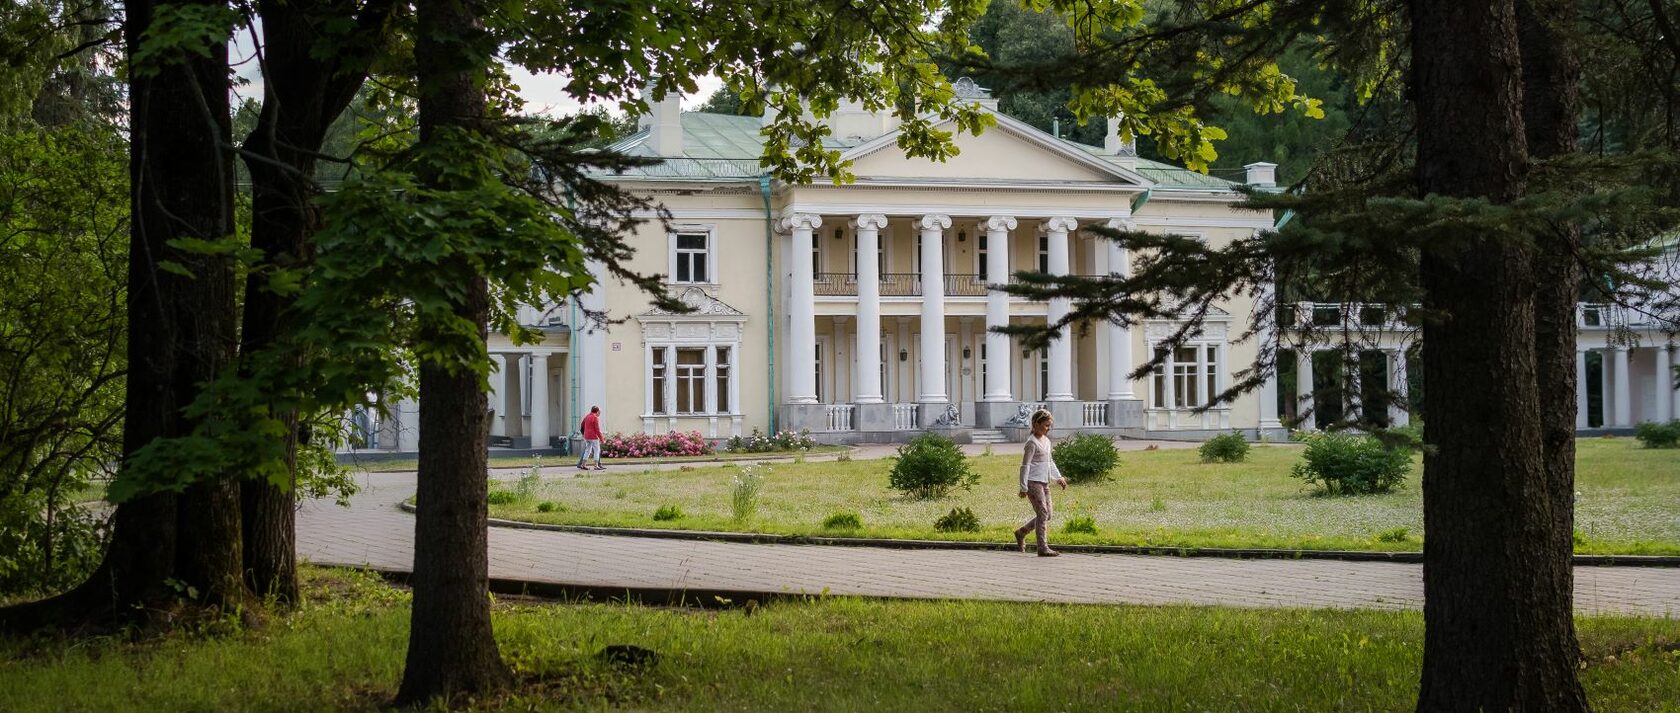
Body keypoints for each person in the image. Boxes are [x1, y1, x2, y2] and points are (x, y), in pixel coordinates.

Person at [1015, 409, 1067, 557]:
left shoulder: (1046, 441)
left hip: (1044, 482)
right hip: (1032, 482)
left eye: (1049, 425)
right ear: (1036, 424)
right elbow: (1025, 465)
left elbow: (1049, 461)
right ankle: (1042, 547)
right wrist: (1023, 487)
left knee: (1047, 514)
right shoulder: (1031, 443)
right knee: (1043, 513)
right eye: (1045, 425)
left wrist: (1058, 477)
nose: (1048, 428)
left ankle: (1021, 532)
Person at [576, 405, 604, 471]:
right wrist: (602, 439)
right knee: (597, 450)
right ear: (597, 411)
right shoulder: (595, 417)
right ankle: (596, 466)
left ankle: (583, 465)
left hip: (587, 436)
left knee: (587, 450)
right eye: (599, 412)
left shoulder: (587, 416)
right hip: (593, 437)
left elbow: (582, 425)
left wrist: (584, 433)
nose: (599, 413)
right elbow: (597, 429)